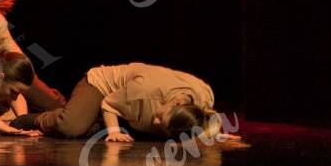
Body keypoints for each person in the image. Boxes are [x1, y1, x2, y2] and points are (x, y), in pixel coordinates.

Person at [14, 63, 221, 143]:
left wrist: (212, 133)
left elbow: (203, 120)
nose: (156, 122)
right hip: (102, 87)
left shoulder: (203, 97)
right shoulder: (144, 90)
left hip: (131, 107)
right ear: (176, 102)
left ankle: (82, 114)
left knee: (91, 129)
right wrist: (113, 131)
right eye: (160, 118)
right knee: (71, 126)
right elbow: (109, 104)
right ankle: (31, 119)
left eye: (162, 124)